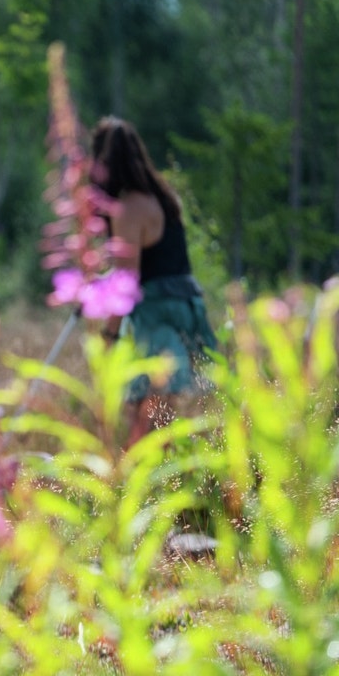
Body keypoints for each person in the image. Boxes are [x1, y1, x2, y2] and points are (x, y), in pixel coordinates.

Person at [90, 116, 219, 446]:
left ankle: (146, 475)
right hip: (189, 307)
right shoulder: (164, 197)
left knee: (147, 416)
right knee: (180, 411)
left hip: (157, 313)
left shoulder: (128, 208)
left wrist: (109, 333)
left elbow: (127, 280)